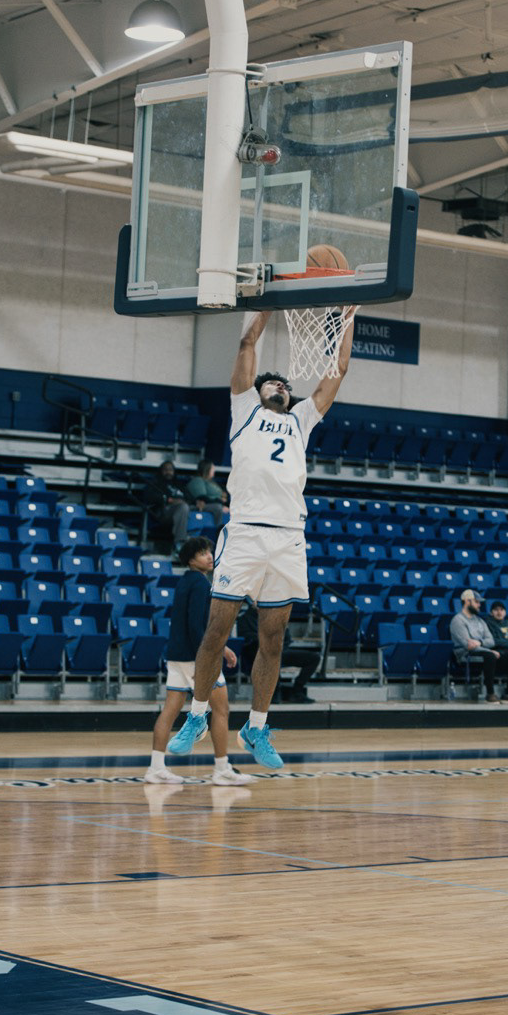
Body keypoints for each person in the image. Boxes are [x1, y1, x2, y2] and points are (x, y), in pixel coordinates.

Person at [166, 303, 358, 769]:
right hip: (246, 534)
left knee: (274, 639)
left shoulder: (301, 420)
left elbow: (338, 369)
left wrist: (348, 318)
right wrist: (271, 303)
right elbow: (247, 342)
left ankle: (256, 726)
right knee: (217, 629)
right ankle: (196, 715)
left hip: (289, 537)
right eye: (273, 383)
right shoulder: (244, 409)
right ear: (256, 390)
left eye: (285, 385)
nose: (281, 386)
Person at [143, 535, 252, 787]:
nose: (210, 556)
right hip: (197, 658)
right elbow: (196, 626)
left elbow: (194, 626)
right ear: (191, 560)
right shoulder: (202, 585)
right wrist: (211, 654)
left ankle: (155, 768)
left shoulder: (184, 581)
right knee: (221, 710)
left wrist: (222, 648)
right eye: (203, 553)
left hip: (177, 656)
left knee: (169, 711)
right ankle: (222, 769)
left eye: (210, 552)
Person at [237, 596, 321, 704]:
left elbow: (287, 638)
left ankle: (297, 691)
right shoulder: (245, 619)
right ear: (253, 603)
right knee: (272, 657)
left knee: (314, 658)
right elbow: (247, 640)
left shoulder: (276, 617)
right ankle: (273, 694)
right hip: (258, 654)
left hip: (279, 651)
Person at [449, 588, 503, 702]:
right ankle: (490, 693)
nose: (479, 605)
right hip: (464, 653)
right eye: (476, 602)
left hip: (480, 650)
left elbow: (491, 641)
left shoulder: (480, 621)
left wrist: (480, 643)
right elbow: (468, 645)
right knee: (490, 656)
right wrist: (488, 650)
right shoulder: (457, 620)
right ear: (467, 601)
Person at [142, 460, 189, 553]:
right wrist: (169, 500)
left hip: (182, 508)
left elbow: (189, 497)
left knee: (194, 509)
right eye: (165, 469)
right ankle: (179, 543)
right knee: (183, 508)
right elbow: (148, 496)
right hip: (164, 511)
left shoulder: (178, 484)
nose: (168, 472)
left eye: (170, 470)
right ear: (161, 471)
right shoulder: (156, 483)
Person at [185, 459, 228, 528]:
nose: (214, 470)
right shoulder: (197, 480)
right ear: (207, 469)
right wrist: (221, 503)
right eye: (212, 468)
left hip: (216, 503)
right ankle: (218, 530)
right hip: (201, 505)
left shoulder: (211, 482)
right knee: (218, 507)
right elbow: (202, 497)